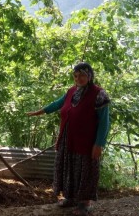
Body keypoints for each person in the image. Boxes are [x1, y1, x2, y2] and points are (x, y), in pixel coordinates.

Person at [26, 62, 110, 216]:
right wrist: (40, 112)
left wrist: (99, 144)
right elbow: (58, 104)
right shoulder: (72, 91)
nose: (78, 78)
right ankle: (70, 198)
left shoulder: (99, 94)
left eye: (82, 75)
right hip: (68, 140)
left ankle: (84, 203)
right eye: (76, 76)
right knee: (69, 169)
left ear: (89, 76)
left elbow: (104, 122)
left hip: (86, 142)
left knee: (84, 171)